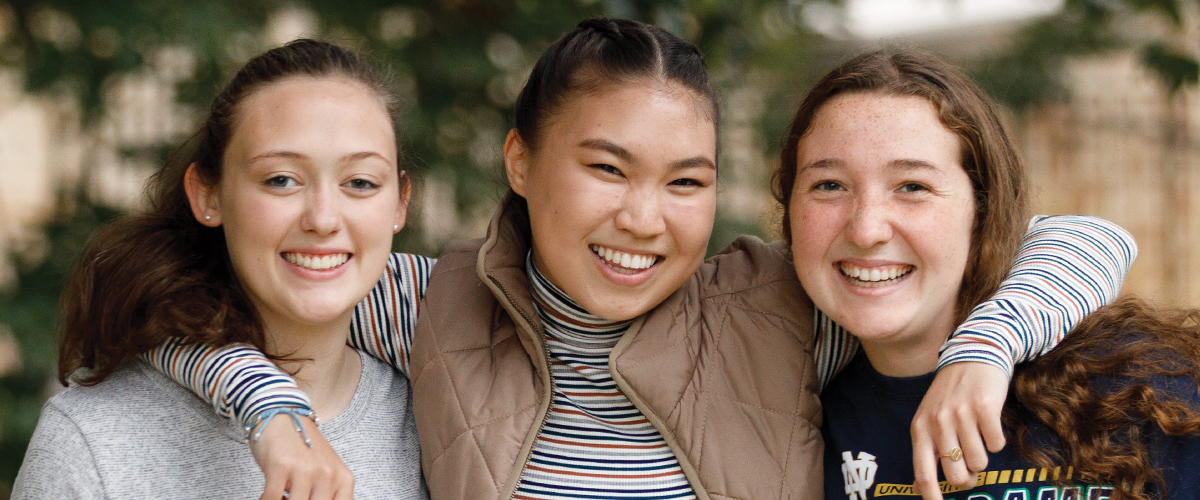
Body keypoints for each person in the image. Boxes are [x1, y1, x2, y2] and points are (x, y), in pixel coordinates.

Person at [144, 19, 1134, 500]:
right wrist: (269, 407)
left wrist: (987, 342)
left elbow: (1088, 238)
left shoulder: (778, 305)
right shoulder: (430, 300)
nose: (644, 218)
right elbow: (191, 300)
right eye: (608, 167)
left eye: (686, 180)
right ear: (521, 161)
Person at [773, 48, 1198, 500]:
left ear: (983, 210)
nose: (866, 229)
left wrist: (984, 348)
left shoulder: (1146, 392)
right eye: (829, 185)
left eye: (913, 186)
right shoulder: (791, 422)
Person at [12, 40, 426, 500]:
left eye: (361, 183)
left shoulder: (447, 420)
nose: (324, 219)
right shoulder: (93, 440)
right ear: (208, 195)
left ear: (399, 204)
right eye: (281, 180)